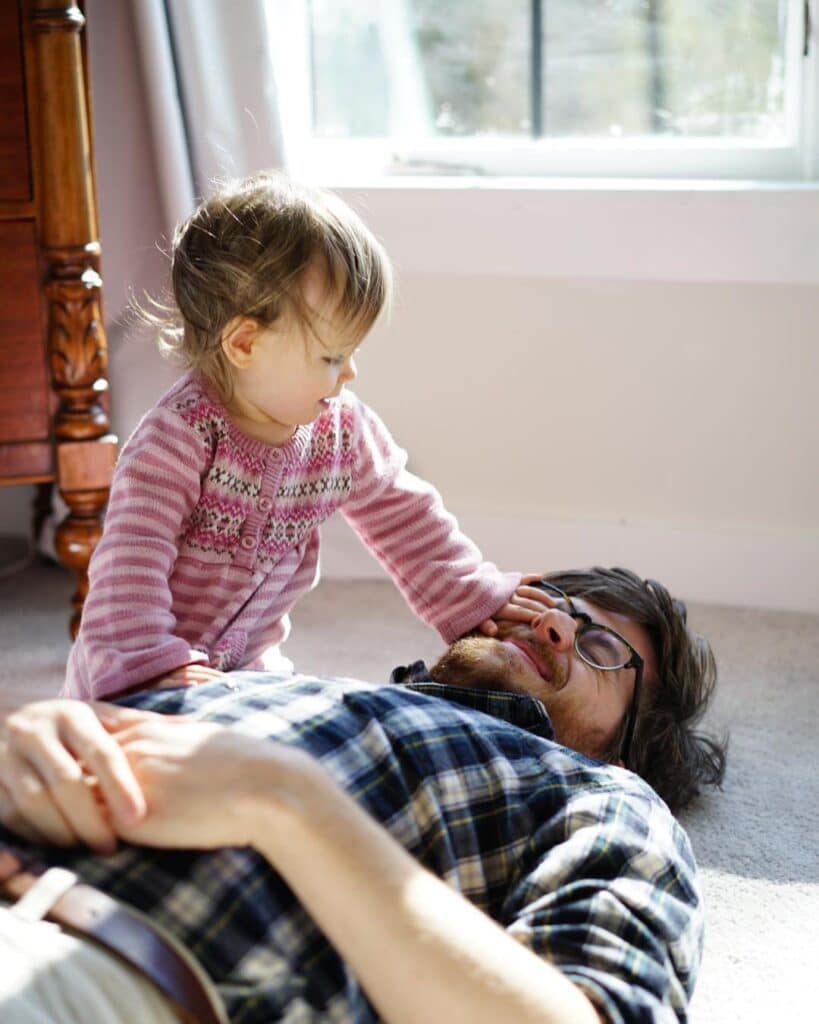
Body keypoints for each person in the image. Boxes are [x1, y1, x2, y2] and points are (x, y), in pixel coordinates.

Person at [0, 568, 726, 1023]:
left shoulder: (608, 801)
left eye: (601, 649)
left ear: (627, 749)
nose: (554, 622)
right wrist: (40, 735)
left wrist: (287, 801)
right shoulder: (279, 686)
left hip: (105, 970)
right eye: (551, 600)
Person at [64, 171, 543, 701]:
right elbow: (131, 561)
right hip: (140, 680)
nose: (350, 373)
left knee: (305, 742)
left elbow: (404, 515)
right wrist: (149, 662)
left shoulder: (340, 430)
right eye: (331, 356)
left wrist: (469, 595)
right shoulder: (178, 439)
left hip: (250, 672)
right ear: (245, 343)